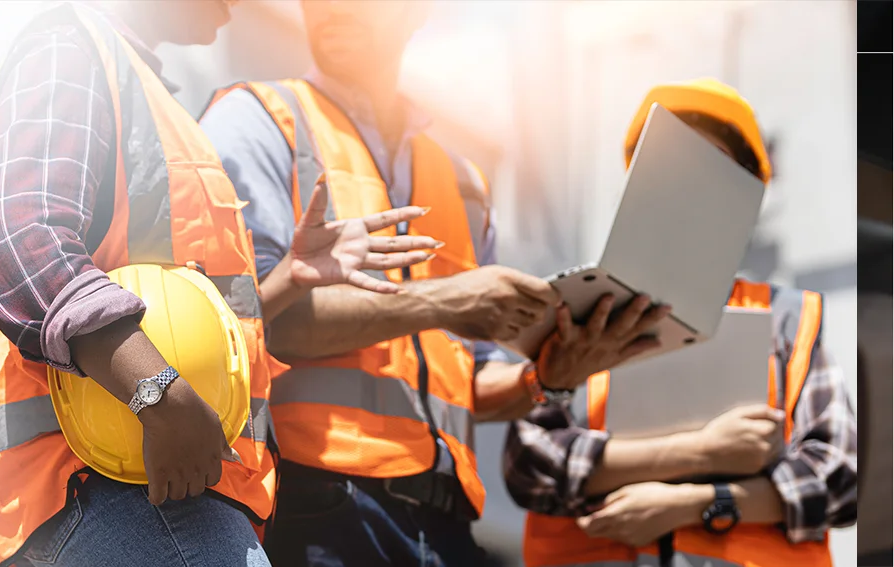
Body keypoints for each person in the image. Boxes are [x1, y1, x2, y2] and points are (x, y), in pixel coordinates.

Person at [0, 2, 442, 566]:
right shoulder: (71, 46)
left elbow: (176, 307)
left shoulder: (149, 94)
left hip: (151, 490)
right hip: (118, 487)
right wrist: (158, 394)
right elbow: (15, 232)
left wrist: (287, 280)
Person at [199, 1, 665, 565]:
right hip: (316, 505)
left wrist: (548, 378)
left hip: (444, 525)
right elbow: (249, 323)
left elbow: (465, 379)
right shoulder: (259, 120)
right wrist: (447, 301)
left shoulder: (463, 184)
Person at [504, 78, 859, 567]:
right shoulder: (580, 308)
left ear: (747, 193)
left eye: (712, 167)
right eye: (672, 163)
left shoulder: (789, 320)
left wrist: (694, 504)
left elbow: (838, 479)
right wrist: (704, 451)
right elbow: (531, 465)